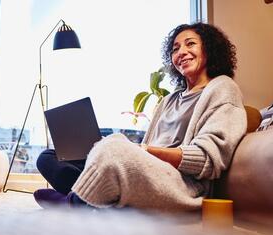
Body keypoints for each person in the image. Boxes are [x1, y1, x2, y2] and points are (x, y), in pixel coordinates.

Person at [33, 22, 247, 211]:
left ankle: (76, 203)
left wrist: (144, 152)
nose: (181, 52)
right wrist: (136, 152)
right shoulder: (169, 100)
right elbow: (145, 148)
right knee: (49, 157)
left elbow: (207, 159)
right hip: (146, 169)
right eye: (175, 48)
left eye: (190, 44)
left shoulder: (223, 88)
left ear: (210, 48)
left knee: (114, 146)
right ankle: (98, 195)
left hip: (181, 184)